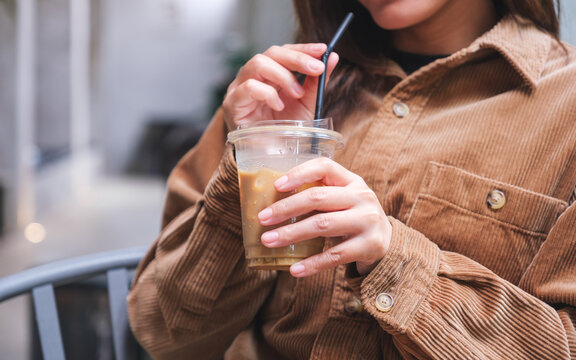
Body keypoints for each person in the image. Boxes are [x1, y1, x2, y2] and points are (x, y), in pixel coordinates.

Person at [128, 0, 576, 358]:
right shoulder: (279, 97)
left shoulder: (565, 107)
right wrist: (253, 161)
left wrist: (398, 262)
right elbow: (164, 335)